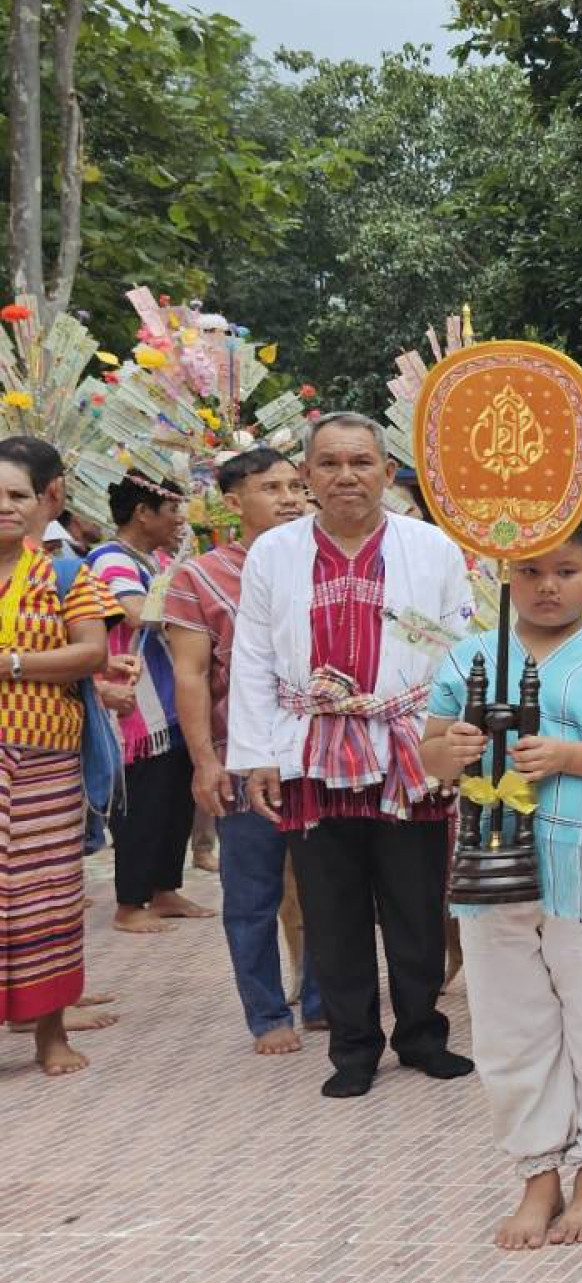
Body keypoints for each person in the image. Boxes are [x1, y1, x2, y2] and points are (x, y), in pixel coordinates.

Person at [422, 519, 582, 1249]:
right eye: (531, 572)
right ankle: (537, 1174)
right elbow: (431, 758)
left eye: (565, 570)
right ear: (505, 576)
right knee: (509, 1030)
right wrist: (456, 747)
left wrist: (567, 754)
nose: (546, 586)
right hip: (491, 866)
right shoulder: (471, 657)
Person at [230, 413, 476, 1100]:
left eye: (361, 462)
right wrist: (257, 755)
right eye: (330, 463)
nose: (346, 476)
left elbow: (456, 652)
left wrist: (443, 745)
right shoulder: (273, 554)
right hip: (308, 747)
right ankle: (353, 1048)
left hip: (406, 743)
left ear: (388, 472)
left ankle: (423, 1033)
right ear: (307, 474)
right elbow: (250, 657)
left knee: (417, 901)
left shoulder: (432, 549)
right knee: (331, 907)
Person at [162, 447, 326, 1053]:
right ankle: (267, 1015)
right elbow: (191, 674)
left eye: (294, 485)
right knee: (252, 892)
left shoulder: (322, 561)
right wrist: (205, 760)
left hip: (320, 753)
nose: (289, 498)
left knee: (327, 887)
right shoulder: (198, 576)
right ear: (233, 503)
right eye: (271, 488)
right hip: (241, 756)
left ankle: (320, 1000)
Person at [0, 437, 116, 1075]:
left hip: (44, 762)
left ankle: (49, 1036)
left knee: (46, 893)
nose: (6, 508)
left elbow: (91, 653)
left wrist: (10, 664)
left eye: (17, 495)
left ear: (41, 504)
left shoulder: (66, 574)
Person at [91, 475, 210, 935]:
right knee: (142, 804)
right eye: (172, 511)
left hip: (169, 698)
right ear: (143, 512)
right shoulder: (110, 558)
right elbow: (137, 613)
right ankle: (129, 903)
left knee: (174, 802)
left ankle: (164, 890)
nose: (179, 520)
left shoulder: (157, 558)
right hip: (138, 706)